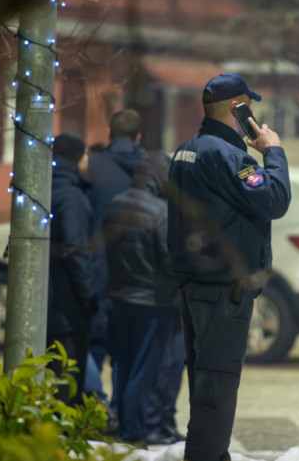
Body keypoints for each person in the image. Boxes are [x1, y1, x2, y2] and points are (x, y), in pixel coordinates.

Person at [167, 73, 291, 461]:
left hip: (194, 287)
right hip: (224, 290)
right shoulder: (228, 156)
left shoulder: (187, 150)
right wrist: (272, 151)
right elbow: (274, 199)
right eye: (248, 107)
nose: (252, 114)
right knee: (217, 395)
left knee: (205, 391)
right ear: (236, 108)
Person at [102, 152, 185, 445]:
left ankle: (125, 425)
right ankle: (138, 430)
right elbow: (167, 259)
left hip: (119, 299)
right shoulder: (161, 212)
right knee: (146, 368)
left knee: (122, 366)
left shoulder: (114, 205)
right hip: (154, 303)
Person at [83, 109, 145, 410]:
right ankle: (124, 411)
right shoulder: (152, 168)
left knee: (91, 345)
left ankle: (93, 410)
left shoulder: (92, 167)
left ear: (109, 135)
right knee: (129, 350)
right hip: (138, 275)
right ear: (138, 137)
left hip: (96, 271)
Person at [47, 133, 96, 404]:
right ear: (77, 157)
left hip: (49, 300)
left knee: (52, 372)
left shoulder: (43, 187)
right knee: (66, 379)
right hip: (68, 305)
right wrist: (89, 295)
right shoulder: (71, 195)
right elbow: (75, 249)